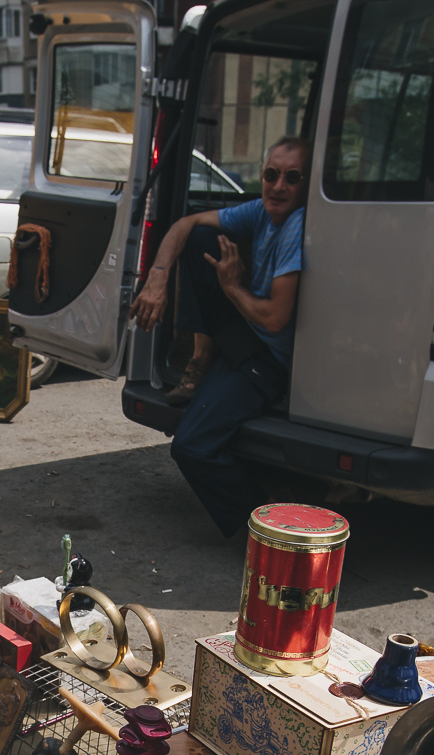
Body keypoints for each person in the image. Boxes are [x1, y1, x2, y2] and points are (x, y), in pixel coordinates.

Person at [129, 137, 308, 537]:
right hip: (245, 332)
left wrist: (231, 289)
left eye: (292, 178)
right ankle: (201, 355)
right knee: (198, 239)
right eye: (271, 175)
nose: (278, 186)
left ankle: (273, 534)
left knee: (191, 447)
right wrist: (156, 280)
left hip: (267, 358)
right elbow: (183, 224)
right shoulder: (262, 212)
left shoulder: (296, 227)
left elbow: (276, 319)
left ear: (306, 186)